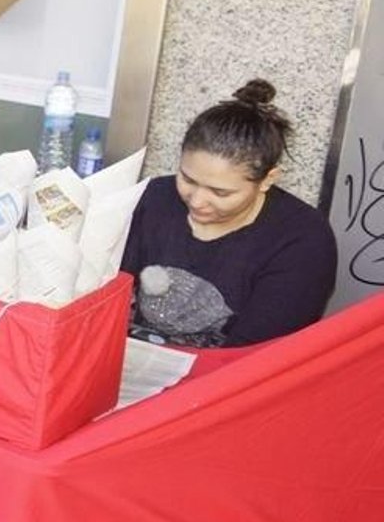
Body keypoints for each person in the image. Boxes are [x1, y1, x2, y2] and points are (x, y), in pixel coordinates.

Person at [120, 79, 337, 347]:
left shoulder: (303, 240)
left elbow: (261, 352)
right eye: (188, 179)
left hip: (233, 369)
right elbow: (108, 288)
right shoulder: (155, 198)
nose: (197, 201)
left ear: (267, 180)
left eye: (220, 192)